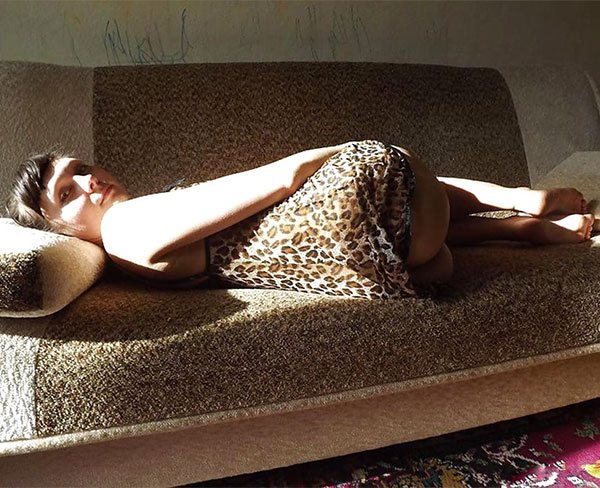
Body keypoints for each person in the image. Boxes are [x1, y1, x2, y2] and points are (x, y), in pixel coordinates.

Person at [5, 140, 595, 299]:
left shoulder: (126, 254)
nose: (90, 181)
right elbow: (280, 178)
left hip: (392, 247)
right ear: (56, 231)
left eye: (83, 169)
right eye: (68, 192)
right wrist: (352, 148)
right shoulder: (127, 226)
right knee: (391, 185)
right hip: (385, 194)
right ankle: (518, 202)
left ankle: (516, 222)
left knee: (425, 246)